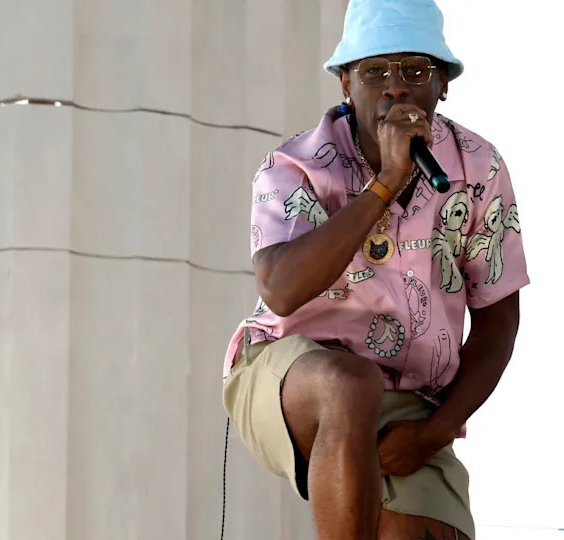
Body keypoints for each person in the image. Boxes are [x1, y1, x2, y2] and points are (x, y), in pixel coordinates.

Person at [221, 0, 529, 538]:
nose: (395, 87)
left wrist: (433, 433)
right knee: (349, 385)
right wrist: (385, 183)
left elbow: (499, 323)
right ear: (345, 82)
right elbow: (283, 291)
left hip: (415, 398)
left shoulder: (479, 168)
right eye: (374, 72)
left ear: (443, 84)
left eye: (414, 70)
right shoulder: (294, 167)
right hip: (294, 373)